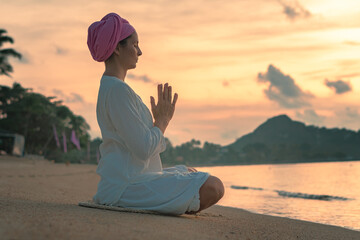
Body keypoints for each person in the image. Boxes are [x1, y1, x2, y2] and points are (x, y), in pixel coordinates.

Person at [87, 13, 224, 215]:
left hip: (129, 181)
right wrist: (162, 121)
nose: (140, 51)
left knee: (189, 171)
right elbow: (143, 149)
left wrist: (156, 123)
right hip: (126, 187)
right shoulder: (117, 90)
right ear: (117, 48)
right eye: (134, 45)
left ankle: (175, 200)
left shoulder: (112, 88)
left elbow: (139, 146)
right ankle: (175, 203)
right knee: (215, 186)